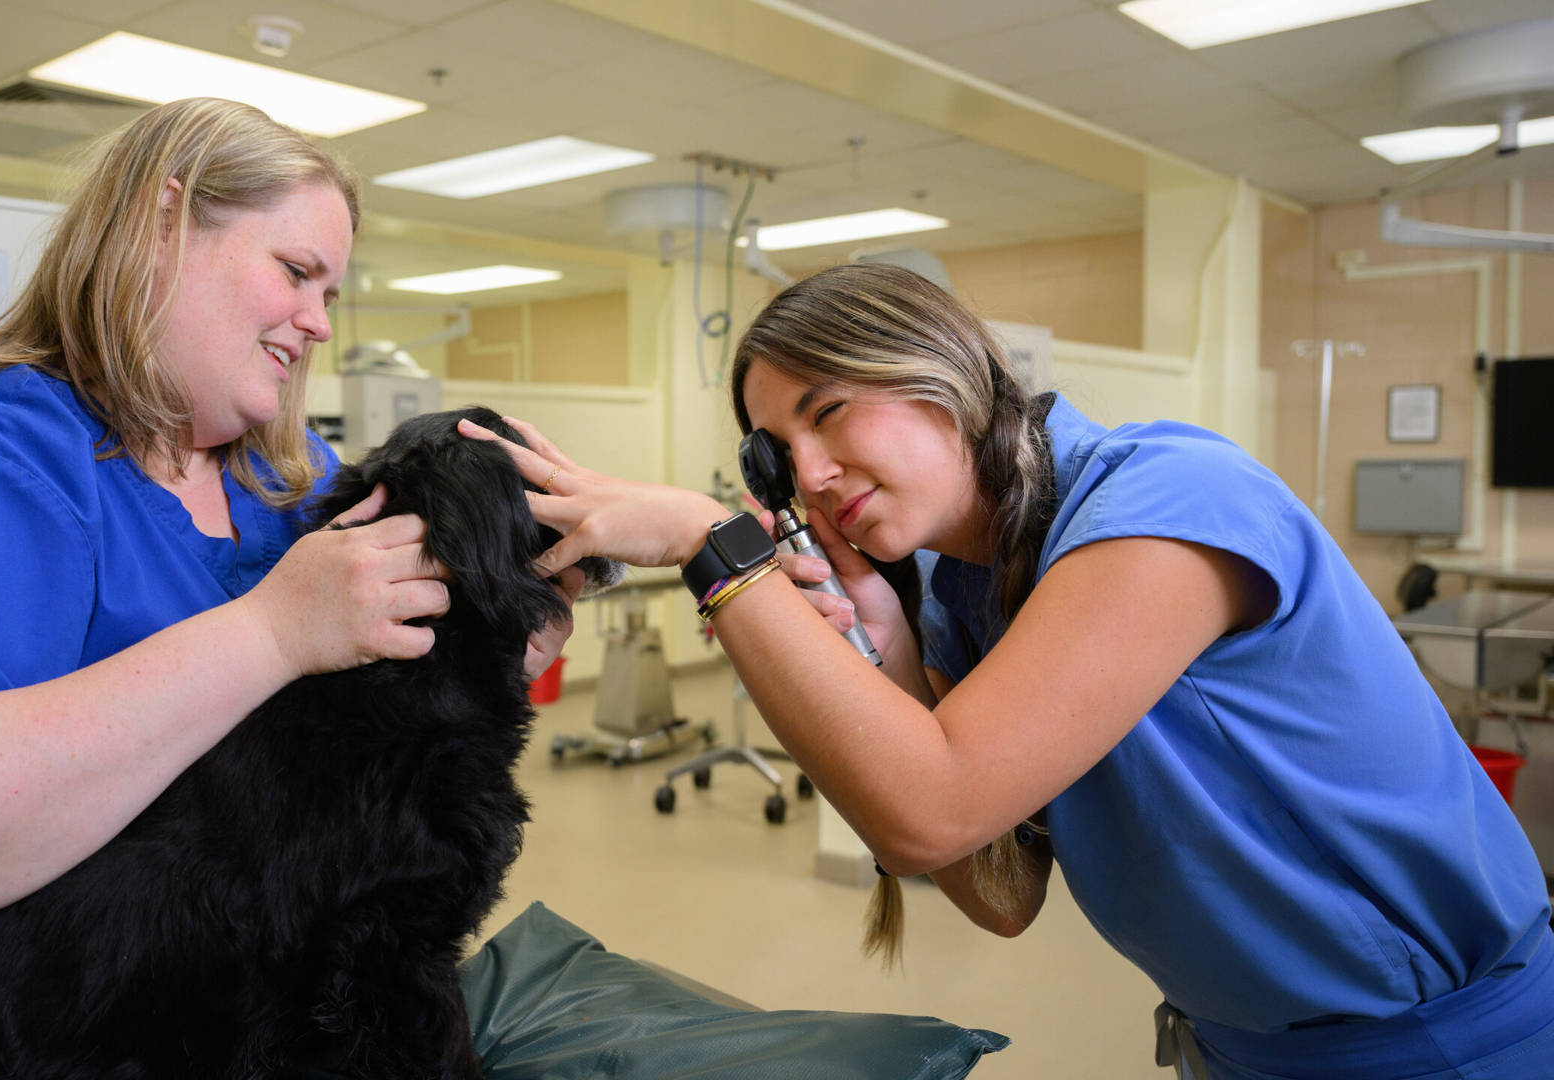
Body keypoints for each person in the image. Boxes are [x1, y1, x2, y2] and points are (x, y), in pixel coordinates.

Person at [460, 261, 1554, 1079]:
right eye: (779, 452)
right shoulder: (962, 596)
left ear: (941, 369)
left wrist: (715, 547)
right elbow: (1002, 895)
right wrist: (887, 639)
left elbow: (931, 809)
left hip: (1444, 1045)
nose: (814, 470)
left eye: (830, 410)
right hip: (1245, 1046)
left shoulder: (1169, 504)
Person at [0, 97, 576, 930]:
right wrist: (271, 634)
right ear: (163, 224)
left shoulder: (300, 488)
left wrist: (498, 636)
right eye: (295, 271)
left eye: (328, 291)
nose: (319, 323)